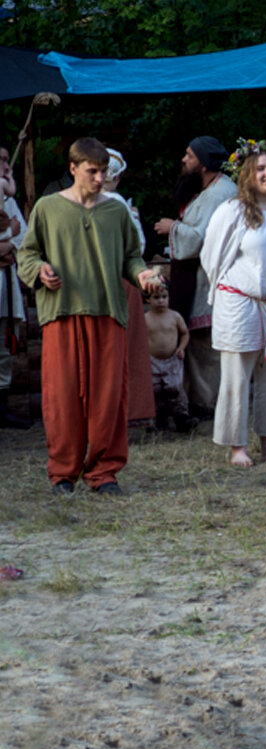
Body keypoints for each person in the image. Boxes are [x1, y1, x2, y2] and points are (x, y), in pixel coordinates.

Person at [16, 137, 161, 494]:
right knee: (62, 397)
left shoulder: (116, 211)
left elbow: (131, 257)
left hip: (108, 311)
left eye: (103, 172)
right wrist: (40, 271)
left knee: (108, 397)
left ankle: (103, 473)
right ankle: (63, 473)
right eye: (92, 172)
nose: (99, 179)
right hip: (62, 313)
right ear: (73, 169)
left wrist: (142, 275)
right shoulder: (48, 209)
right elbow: (27, 254)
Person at [200, 140, 266, 467]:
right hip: (241, 303)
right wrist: (228, 293)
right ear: (247, 172)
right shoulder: (231, 211)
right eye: (260, 168)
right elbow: (211, 257)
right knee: (236, 376)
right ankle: (236, 447)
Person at [153, 136, 237, 415]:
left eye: (189, 155)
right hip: (198, 278)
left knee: (206, 346)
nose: (184, 159)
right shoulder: (210, 189)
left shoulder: (219, 193)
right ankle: (201, 401)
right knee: (201, 346)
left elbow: (201, 239)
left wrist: (173, 228)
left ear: (203, 163)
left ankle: (209, 404)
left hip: (210, 280)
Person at [103, 147, 157, 429]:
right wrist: (134, 218)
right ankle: (128, 411)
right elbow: (137, 246)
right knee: (123, 348)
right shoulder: (117, 203)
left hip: (97, 282)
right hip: (121, 281)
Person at [0, 144, 32, 428]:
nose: (7, 167)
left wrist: (7, 241)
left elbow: (22, 239)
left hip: (5, 286)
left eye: (8, 161)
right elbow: (13, 230)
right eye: (1, 161)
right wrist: (8, 233)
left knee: (4, 350)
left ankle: (2, 407)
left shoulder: (8, 201)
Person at [144, 284, 194, 432]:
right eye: (156, 297)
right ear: (148, 300)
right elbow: (139, 337)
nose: (161, 301)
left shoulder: (175, 316)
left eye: (164, 297)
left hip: (172, 359)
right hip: (152, 360)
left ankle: (182, 417)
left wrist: (181, 348)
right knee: (156, 388)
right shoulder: (145, 318)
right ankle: (159, 417)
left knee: (175, 387)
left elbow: (185, 333)